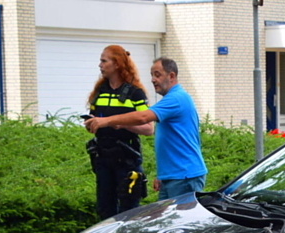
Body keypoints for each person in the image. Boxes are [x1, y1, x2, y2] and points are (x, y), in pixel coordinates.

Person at [84, 57, 207, 201]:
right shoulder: (172, 99)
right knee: (165, 217)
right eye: (152, 75)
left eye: (157, 75)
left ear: (171, 76)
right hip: (173, 176)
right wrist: (162, 175)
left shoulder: (176, 98)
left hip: (184, 177)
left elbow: (143, 117)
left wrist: (105, 120)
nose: (153, 80)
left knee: (180, 217)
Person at [86, 45, 154, 220]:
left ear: (116, 64)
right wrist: (91, 123)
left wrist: (122, 124)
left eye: (104, 61)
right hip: (103, 159)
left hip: (126, 160)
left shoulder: (134, 93)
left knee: (128, 212)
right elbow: (95, 118)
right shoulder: (100, 92)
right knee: (104, 210)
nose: (100, 65)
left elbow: (148, 129)